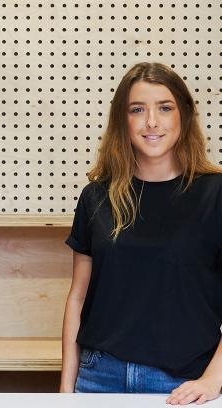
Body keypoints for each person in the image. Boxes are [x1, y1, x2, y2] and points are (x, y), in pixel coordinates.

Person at [60, 62, 222, 405]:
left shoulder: (216, 194)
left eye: (164, 108)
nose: (151, 121)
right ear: (123, 120)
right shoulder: (96, 197)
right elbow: (78, 298)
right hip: (98, 376)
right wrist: (65, 392)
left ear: (184, 115)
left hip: (183, 383)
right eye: (137, 109)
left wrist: (213, 379)